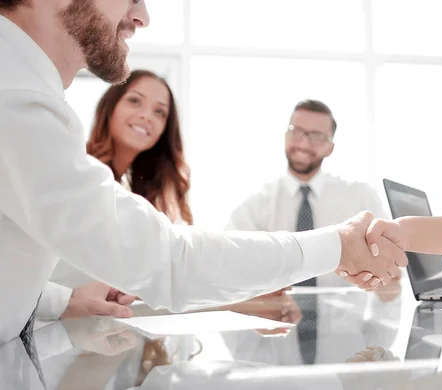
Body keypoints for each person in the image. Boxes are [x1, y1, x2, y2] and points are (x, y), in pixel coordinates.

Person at [0, 0, 404, 345]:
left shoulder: (22, 92)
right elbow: (173, 263)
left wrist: (60, 301)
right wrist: (336, 244)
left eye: (159, 112)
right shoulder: (17, 101)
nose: (142, 15)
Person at [39, 69, 193, 321]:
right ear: (111, 107)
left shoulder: (130, 195)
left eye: (159, 112)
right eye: (135, 100)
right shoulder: (78, 174)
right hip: (39, 326)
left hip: (87, 335)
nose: (146, 116)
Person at [227, 99, 393, 291]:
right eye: (296, 132)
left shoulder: (360, 198)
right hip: (274, 317)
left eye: (316, 136)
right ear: (285, 136)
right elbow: (230, 262)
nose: (304, 143)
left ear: (330, 148)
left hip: (347, 318)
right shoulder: (256, 203)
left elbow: (391, 267)